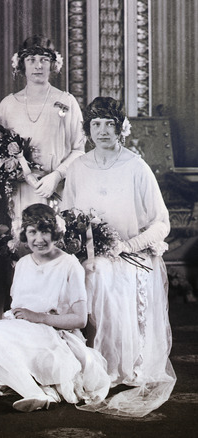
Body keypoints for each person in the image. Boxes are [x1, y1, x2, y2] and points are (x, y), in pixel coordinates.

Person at [62, 97, 175, 417]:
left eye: (109, 123)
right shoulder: (78, 167)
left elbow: (162, 223)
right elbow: (68, 218)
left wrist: (129, 246)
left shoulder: (136, 166)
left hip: (129, 255)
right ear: (87, 129)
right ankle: (75, 364)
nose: (102, 131)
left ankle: (110, 367)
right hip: (87, 254)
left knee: (103, 279)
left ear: (120, 128)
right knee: (78, 276)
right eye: (96, 124)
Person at [0, 203, 110, 412]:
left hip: (53, 333)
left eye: (45, 231)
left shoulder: (69, 264)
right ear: (24, 234)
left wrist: (38, 317)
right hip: (23, 329)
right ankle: (32, 390)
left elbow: (80, 319)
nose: (39, 239)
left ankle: (32, 390)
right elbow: (19, 306)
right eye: (32, 232)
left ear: (55, 233)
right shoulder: (23, 263)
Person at [0, 35, 85, 232]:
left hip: (57, 190)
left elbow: (79, 150)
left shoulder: (67, 101)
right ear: (21, 65)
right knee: (24, 243)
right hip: (22, 191)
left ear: (53, 65)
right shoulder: (8, 105)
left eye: (44, 59)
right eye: (31, 60)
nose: (38, 66)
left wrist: (56, 176)